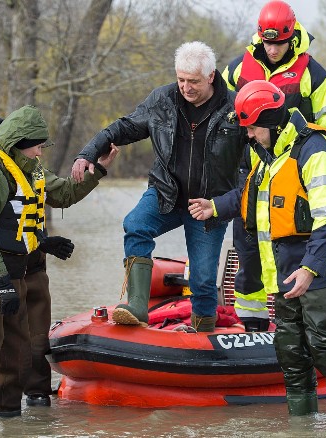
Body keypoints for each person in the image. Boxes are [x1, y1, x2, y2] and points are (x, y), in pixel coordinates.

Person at [187, 81, 326, 420]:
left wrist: (310, 268)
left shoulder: (316, 151)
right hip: (284, 273)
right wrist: (215, 207)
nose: (248, 135)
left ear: (274, 123)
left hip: (323, 274)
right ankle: (302, 424)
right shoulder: (270, 154)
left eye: (253, 128)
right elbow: (251, 197)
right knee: (291, 355)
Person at [0, 105, 112, 432]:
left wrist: (43, 243)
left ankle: (10, 420)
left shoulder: (28, 168)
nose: (41, 152)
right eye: (37, 145)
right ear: (20, 142)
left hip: (17, 269)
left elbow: (18, 223)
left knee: (20, 352)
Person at [71, 41, 244, 333]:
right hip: (166, 193)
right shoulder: (162, 100)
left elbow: (261, 152)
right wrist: (88, 152)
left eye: (193, 82)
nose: (185, 88)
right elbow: (124, 127)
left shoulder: (235, 108)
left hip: (209, 205)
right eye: (181, 80)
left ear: (211, 77)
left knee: (202, 280)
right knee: (135, 224)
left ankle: (204, 334)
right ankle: (137, 306)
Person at [222, 0, 326, 331]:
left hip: (295, 174)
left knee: (290, 250)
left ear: (291, 37)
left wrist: (324, 173)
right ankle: (252, 325)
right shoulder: (238, 70)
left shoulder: (312, 74)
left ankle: (295, 324)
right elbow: (219, 114)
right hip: (251, 174)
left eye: (279, 42)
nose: (273, 49)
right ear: (259, 37)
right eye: (268, 42)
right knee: (247, 252)